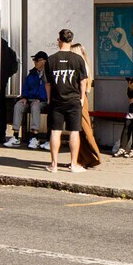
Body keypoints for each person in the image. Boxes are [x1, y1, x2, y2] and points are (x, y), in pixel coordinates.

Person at [45, 28, 89, 173]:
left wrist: (49, 98)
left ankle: (54, 164)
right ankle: (74, 164)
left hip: (57, 100)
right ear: (71, 41)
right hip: (74, 100)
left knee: (55, 131)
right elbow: (83, 81)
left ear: (60, 40)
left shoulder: (51, 59)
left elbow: (48, 83)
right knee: (74, 132)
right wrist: (82, 97)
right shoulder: (78, 59)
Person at [71, 38, 102, 169]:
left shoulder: (80, 66)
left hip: (80, 98)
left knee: (83, 129)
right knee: (79, 130)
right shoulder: (85, 65)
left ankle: (93, 156)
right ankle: (81, 158)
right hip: (82, 98)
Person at [16, 52, 50, 147]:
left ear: (44, 61)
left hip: (43, 101)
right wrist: (24, 97)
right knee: (18, 105)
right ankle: (15, 136)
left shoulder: (49, 73)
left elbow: (47, 89)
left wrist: (40, 98)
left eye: (37, 60)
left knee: (35, 106)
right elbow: (26, 87)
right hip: (30, 99)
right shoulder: (32, 73)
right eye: (34, 60)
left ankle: (35, 136)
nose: (35, 63)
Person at [0, 35, 19, 145]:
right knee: (0, 109)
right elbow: (14, 67)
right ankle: (1, 133)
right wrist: (5, 77)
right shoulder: (9, 51)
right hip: (2, 83)